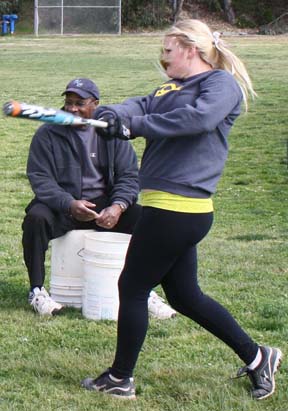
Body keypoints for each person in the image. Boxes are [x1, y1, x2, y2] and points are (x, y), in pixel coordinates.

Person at [81, 20, 282, 401]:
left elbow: (198, 119)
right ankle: (259, 358)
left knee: (133, 286)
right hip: (164, 206)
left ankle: (120, 378)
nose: (163, 56)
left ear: (190, 48)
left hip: (180, 208)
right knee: (186, 297)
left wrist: (133, 127)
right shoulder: (171, 87)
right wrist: (112, 114)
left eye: (168, 49)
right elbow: (140, 105)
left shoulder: (219, 85)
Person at [22, 77, 176, 320]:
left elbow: (128, 176)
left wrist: (118, 206)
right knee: (35, 219)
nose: (72, 108)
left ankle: (144, 292)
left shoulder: (111, 134)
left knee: (144, 220)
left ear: (95, 104)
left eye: (80, 103)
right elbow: (40, 178)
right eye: (68, 102)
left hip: (104, 205)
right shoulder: (47, 133)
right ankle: (37, 291)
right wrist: (69, 204)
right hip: (63, 205)